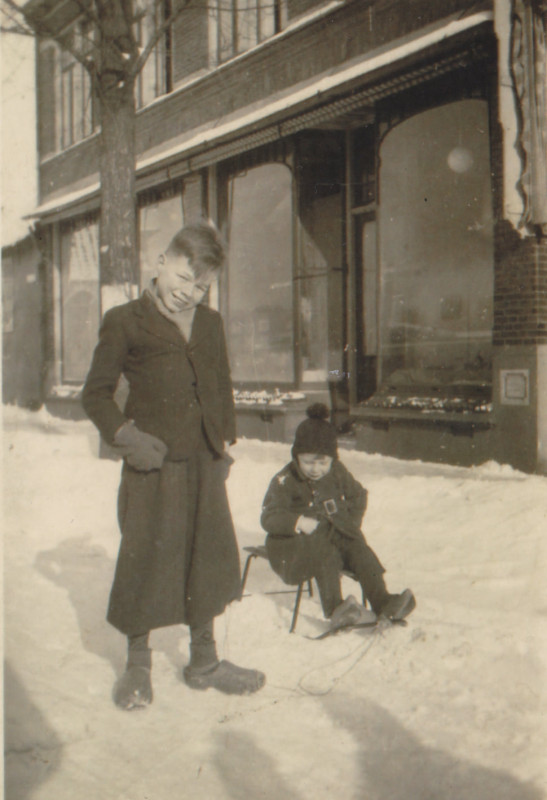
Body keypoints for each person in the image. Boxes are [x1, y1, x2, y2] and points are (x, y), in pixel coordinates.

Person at [82, 221, 265, 709]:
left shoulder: (211, 323)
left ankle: (204, 661)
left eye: (201, 285)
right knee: (144, 555)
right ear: (161, 263)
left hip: (203, 460)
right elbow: (95, 396)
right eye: (183, 278)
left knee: (205, 555)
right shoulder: (125, 320)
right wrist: (126, 438)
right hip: (153, 463)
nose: (189, 293)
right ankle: (137, 665)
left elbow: (219, 382)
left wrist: (222, 442)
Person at [261, 404, 416, 630]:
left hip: (334, 532)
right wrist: (297, 522)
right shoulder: (285, 480)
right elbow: (269, 516)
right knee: (326, 554)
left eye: (323, 462)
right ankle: (337, 609)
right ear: (296, 457)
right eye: (308, 462)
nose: (316, 469)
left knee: (359, 550)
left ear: (332, 459)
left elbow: (358, 495)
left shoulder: (336, 471)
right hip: (296, 545)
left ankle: (383, 601)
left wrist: (350, 524)